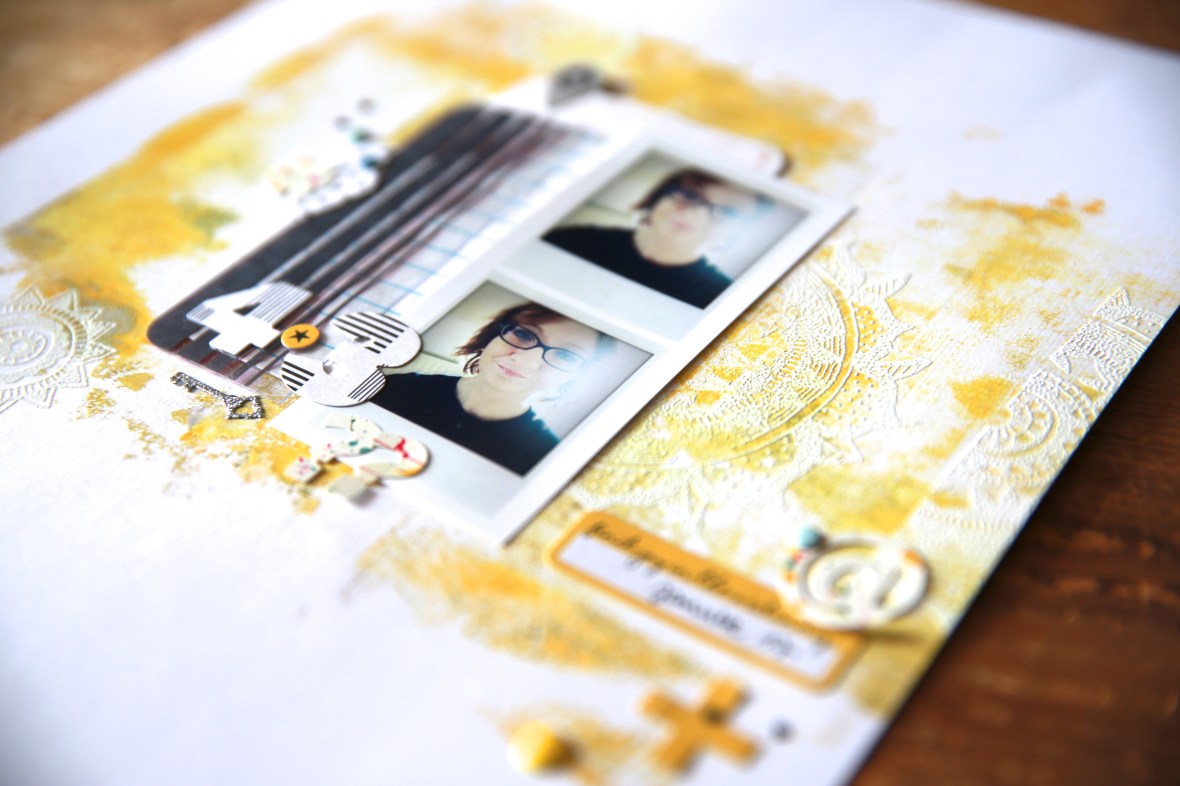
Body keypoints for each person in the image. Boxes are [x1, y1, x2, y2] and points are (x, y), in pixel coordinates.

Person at [372, 303, 614, 475]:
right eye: (523, 334)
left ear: (574, 378)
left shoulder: (541, 456)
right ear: (491, 336)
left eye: (566, 356)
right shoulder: (396, 388)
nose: (525, 360)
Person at [543, 169, 764, 308]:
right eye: (690, 195)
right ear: (659, 195)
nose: (694, 212)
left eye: (728, 212)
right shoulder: (571, 241)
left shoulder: (719, 297)